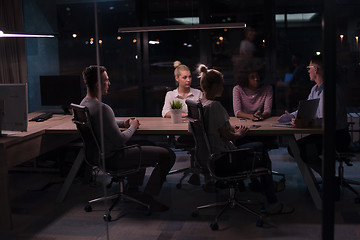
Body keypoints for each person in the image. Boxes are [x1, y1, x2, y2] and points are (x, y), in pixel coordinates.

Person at [198, 64, 294, 215]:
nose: (224, 87)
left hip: (211, 158)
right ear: (216, 86)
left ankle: (261, 188)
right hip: (224, 159)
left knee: (259, 147)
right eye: (222, 84)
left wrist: (230, 130)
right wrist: (239, 134)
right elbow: (229, 137)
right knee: (262, 154)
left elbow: (216, 131)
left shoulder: (199, 106)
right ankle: (272, 203)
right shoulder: (215, 106)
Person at [80, 65, 176, 211]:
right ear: (97, 84)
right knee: (168, 155)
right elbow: (120, 140)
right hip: (114, 157)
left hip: (98, 156)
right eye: (106, 80)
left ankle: (133, 188)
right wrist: (133, 127)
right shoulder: (103, 108)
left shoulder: (84, 105)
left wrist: (123, 123)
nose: (109, 83)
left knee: (144, 143)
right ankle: (148, 196)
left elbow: (104, 123)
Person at [278, 55, 350, 175]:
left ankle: (329, 177)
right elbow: (307, 110)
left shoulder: (331, 91)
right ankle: (328, 177)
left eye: (309, 68)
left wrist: (304, 122)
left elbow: (326, 120)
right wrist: (291, 116)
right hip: (324, 134)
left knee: (299, 149)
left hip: (336, 137)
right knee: (295, 148)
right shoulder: (315, 89)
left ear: (315, 69)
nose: (308, 71)